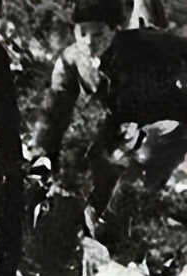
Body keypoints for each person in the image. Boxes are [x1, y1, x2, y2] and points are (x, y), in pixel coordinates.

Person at [28, 0, 187, 246]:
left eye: (98, 34)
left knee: (143, 168)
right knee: (95, 173)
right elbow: (54, 111)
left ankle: (147, 229)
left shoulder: (148, 45)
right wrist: (42, 154)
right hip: (117, 127)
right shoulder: (72, 60)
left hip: (167, 122)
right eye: (82, 33)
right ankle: (95, 235)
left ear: (115, 31)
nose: (89, 41)